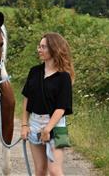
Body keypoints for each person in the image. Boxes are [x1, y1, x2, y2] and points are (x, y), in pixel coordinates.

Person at [21, 32, 75, 176]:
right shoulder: (34, 71)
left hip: (56, 126)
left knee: (55, 171)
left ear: (54, 49)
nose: (39, 49)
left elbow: (61, 107)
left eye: (43, 47)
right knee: (39, 171)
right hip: (34, 123)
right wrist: (25, 125)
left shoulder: (64, 77)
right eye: (39, 46)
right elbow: (27, 99)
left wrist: (47, 129)